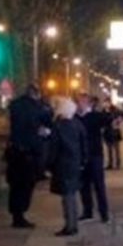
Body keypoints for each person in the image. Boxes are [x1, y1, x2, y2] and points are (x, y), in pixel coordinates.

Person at [6, 84, 48, 229]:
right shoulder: (36, 107)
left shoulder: (15, 105)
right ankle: (20, 214)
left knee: (15, 185)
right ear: (35, 94)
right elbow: (46, 121)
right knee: (26, 184)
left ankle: (15, 215)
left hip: (15, 151)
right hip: (29, 152)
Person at [48, 98, 87, 237]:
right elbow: (84, 144)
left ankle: (70, 226)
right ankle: (73, 224)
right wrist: (83, 161)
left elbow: (53, 148)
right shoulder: (77, 124)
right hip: (75, 164)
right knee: (72, 195)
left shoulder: (58, 126)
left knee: (67, 197)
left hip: (62, 164)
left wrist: (48, 165)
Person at [77, 94, 110, 223]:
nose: (79, 104)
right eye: (78, 102)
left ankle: (104, 213)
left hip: (95, 155)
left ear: (88, 104)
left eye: (82, 102)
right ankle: (87, 211)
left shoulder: (96, 116)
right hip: (81, 156)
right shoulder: (75, 118)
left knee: (99, 185)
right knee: (84, 185)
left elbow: (109, 120)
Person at [103, 99, 123, 170]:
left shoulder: (115, 110)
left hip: (115, 132)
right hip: (107, 132)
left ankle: (118, 164)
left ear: (109, 102)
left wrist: (118, 122)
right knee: (109, 149)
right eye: (105, 103)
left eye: (107, 102)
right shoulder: (104, 111)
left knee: (116, 149)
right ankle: (110, 164)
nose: (105, 104)